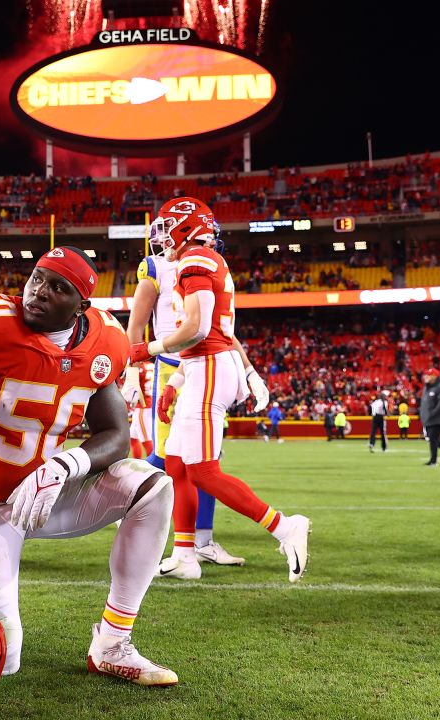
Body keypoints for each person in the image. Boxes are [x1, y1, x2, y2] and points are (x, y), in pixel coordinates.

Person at [0, 246, 178, 686]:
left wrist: (67, 463)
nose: (40, 291)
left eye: (58, 287)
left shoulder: (104, 344)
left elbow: (116, 435)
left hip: (42, 493)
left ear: (81, 306)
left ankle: (112, 643)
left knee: (152, 487)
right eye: (37, 278)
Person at [132, 197, 309, 583]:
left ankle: (284, 526)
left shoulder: (197, 259)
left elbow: (196, 330)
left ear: (187, 227)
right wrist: (175, 382)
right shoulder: (200, 260)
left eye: (167, 227)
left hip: (210, 368)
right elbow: (212, 333)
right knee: (176, 463)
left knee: (203, 472)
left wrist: (148, 349)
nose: (162, 238)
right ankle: (184, 554)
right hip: (200, 366)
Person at [123, 226, 257, 569]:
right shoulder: (155, 267)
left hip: (204, 365)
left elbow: (221, 330)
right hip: (170, 367)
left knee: (205, 459)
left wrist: (249, 368)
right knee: (172, 460)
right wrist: (135, 370)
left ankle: (202, 542)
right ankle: (123, 500)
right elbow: (136, 326)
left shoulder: (206, 261)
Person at [419, 368, 440, 466]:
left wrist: (432, 414)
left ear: (435, 376)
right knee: (434, 440)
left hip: (437, 419)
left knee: (433, 440)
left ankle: (433, 461)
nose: (426, 377)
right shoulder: (427, 388)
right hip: (429, 419)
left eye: (429, 375)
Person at [128, 362, 155, 458]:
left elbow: (132, 389)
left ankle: (155, 468)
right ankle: (137, 463)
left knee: (146, 439)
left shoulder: (140, 367)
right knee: (133, 437)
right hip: (149, 403)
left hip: (143, 406)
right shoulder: (152, 365)